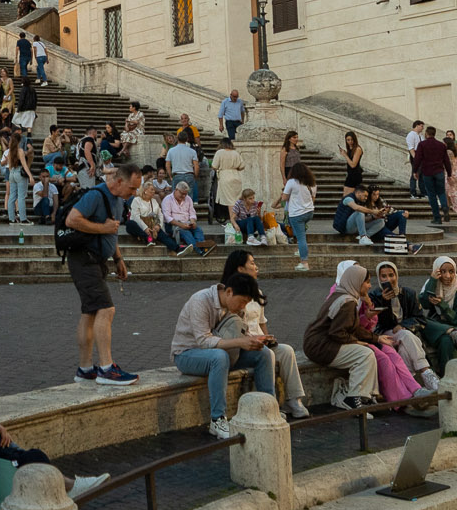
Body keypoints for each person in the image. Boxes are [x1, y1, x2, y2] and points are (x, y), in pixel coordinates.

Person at [171, 271, 300, 435]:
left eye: (246, 303)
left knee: (264, 353)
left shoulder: (236, 308)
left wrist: (255, 339)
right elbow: (204, 341)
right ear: (229, 292)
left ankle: (268, 409)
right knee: (219, 356)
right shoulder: (201, 300)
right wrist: (241, 342)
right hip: (187, 354)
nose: (243, 307)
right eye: (242, 302)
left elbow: (239, 335)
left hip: (224, 355)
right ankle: (217, 420)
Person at [305, 261, 427, 411]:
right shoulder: (347, 301)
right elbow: (337, 333)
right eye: (367, 282)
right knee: (367, 355)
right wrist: (358, 342)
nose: (370, 286)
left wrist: (376, 337)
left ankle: (414, 390)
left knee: (390, 353)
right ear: (356, 282)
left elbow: (353, 327)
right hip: (323, 345)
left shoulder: (350, 295)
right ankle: (363, 399)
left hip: (335, 340)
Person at [66, 164, 138, 387]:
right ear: (118, 182)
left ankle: (86, 369)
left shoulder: (118, 200)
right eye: (132, 188)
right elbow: (72, 219)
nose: (133, 193)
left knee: (90, 312)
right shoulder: (96, 195)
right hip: (83, 259)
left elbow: (112, 230)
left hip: (97, 260)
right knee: (106, 309)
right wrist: (103, 229)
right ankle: (106, 368)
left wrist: (118, 258)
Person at [406, 256, 457, 372]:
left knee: (446, 340)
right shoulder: (435, 285)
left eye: (451, 271)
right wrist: (432, 281)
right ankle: (452, 333)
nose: (448, 276)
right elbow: (424, 304)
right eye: (443, 271)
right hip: (439, 327)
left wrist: (442, 306)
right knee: (420, 321)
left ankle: (447, 377)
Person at [410, 127, 452, 226]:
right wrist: (449, 173)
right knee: (441, 192)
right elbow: (446, 160)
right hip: (439, 171)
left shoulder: (422, 145)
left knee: (432, 195)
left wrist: (415, 171)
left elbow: (418, 159)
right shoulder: (441, 145)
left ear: (426, 134)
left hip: (427, 172)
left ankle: (437, 217)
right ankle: (445, 206)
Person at [282, 160, 317, 265]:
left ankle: (304, 262)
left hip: (297, 214)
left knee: (301, 238)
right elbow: (313, 199)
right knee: (300, 233)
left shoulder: (292, 182)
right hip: (309, 212)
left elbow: (284, 198)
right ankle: (301, 249)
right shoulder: (312, 183)